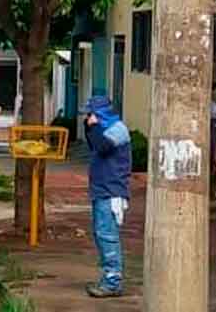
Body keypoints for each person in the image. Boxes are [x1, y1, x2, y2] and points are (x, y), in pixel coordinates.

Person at [83, 95, 132, 298]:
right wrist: (90, 127)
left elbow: (102, 147)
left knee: (107, 236)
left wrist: (93, 127)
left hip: (112, 192)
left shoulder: (118, 129)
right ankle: (108, 277)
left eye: (91, 114)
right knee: (101, 234)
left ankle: (113, 282)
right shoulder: (104, 129)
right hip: (101, 190)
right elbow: (94, 144)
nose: (88, 118)